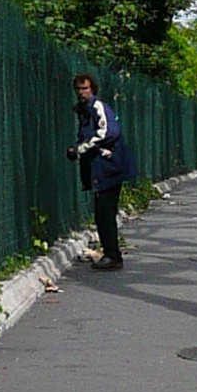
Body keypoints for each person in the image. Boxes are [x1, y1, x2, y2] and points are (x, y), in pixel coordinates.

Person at [70, 74, 134, 269]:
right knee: (102, 213)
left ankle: (113, 256)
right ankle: (110, 253)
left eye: (85, 89)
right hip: (101, 169)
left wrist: (81, 149)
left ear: (93, 90)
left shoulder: (98, 108)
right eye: (79, 89)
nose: (82, 93)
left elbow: (109, 132)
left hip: (109, 168)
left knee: (105, 213)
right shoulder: (85, 111)